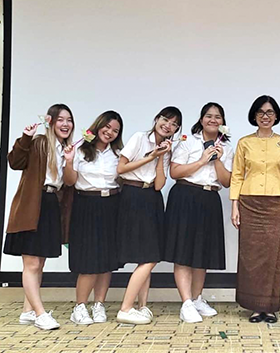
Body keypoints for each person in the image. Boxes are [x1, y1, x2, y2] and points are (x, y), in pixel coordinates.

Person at [4, 103, 75, 330]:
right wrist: (25, 137)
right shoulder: (39, 143)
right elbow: (15, 162)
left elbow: (70, 182)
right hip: (32, 204)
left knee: (40, 263)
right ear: (50, 121)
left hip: (51, 204)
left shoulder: (66, 149)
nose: (66, 124)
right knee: (32, 263)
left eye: (69, 120)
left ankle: (28, 311)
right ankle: (40, 313)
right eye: (61, 119)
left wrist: (71, 159)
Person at [164, 103, 233, 323]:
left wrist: (218, 160)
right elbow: (175, 172)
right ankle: (185, 303)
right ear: (201, 119)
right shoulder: (188, 141)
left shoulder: (228, 148)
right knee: (183, 251)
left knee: (202, 252)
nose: (213, 120)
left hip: (209, 198)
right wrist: (202, 160)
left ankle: (196, 298)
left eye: (218, 117)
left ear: (223, 122)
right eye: (209, 116)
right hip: (185, 195)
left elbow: (227, 181)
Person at [230, 95, 280, 323]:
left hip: (276, 204)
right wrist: (234, 206)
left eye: (269, 112)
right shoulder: (244, 142)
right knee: (250, 255)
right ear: (254, 116)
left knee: (272, 256)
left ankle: (269, 306)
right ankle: (254, 307)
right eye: (260, 112)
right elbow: (237, 175)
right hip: (249, 203)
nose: (265, 117)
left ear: (276, 116)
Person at [115, 106, 182, 325]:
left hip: (152, 198)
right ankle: (125, 308)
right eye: (165, 120)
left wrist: (161, 157)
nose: (168, 126)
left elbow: (159, 184)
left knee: (150, 253)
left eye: (174, 124)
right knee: (149, 257)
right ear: (156, 119)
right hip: (133, 194)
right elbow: (121, 168)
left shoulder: (167, 148)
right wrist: (151, 156)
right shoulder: (139, 138)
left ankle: (142, 306)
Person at [63, 111, 124, 325]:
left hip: (111, 205)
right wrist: (69, 162)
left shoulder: (119, 154)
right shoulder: (80, 150)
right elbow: (70, 181)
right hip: (86, 204)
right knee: (89, 260)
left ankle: (99, 305)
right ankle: (79, 307)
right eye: (107, 127)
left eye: (115, 130)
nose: (110, 132)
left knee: (106, 260)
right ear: (98, 126)